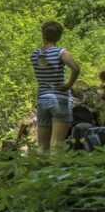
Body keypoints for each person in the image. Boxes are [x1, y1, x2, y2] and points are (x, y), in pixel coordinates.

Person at [30, 21, 80, 155]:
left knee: (41, 146)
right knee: (57, 145)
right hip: (59, 99)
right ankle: (54, 174)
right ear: (59, 37)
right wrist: (68, 85)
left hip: (43, 99)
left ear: (43, 35)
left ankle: (38, 174)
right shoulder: (61, 52)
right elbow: (75, 68)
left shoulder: (35, 54)